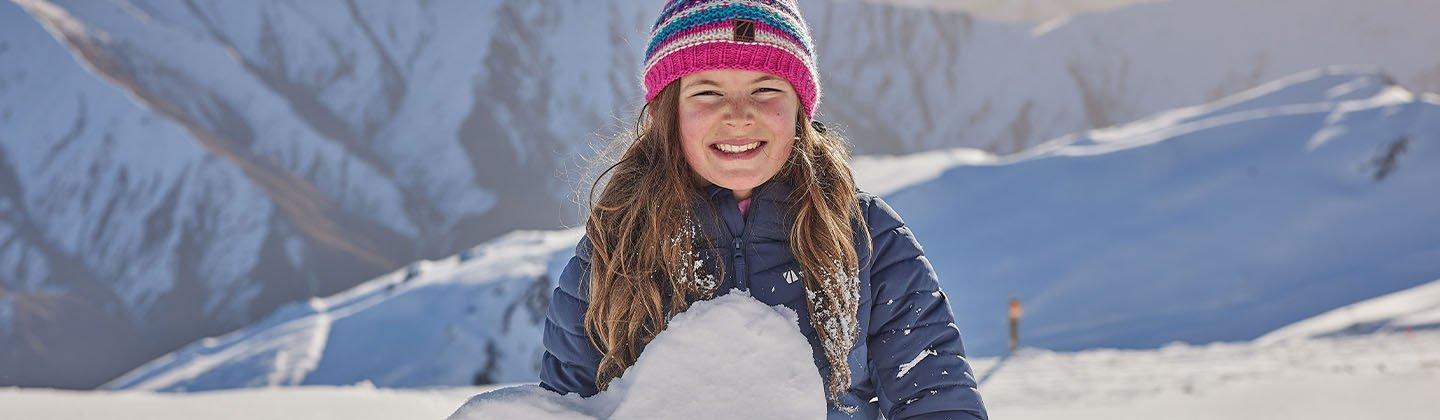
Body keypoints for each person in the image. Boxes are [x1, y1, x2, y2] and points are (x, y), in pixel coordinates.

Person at [538, 1, 987, 419]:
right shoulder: (616, 245)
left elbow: (936, 399)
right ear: (667, 114)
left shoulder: (866, 238)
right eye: (708, 92)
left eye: (766, 89)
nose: (738, 115)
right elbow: (564, 408)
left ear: (799, 109)